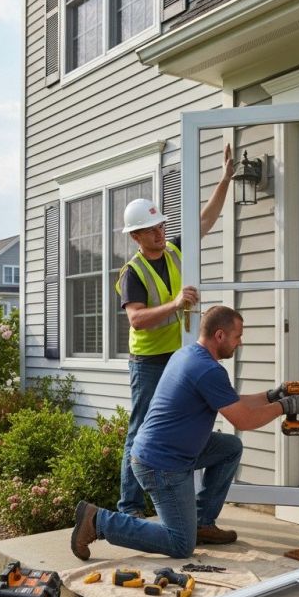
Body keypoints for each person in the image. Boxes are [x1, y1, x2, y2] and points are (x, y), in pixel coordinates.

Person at [70, 305, 299, 560]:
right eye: (237, 336)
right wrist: (283, 407)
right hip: (161, 465)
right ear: (219, 335)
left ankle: (202, 523)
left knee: (230, 448)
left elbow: (232, 402)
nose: (240, 342)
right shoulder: (209, 370)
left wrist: (271, 396)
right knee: (181, 544)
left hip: (166, 451)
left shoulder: (188, 355)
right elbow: (244, 419)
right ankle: (98, 521)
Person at [115, 144, 235, 518]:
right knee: (141, 429)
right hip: (150, 361)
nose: (159, 232)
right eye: (150, 229)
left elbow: (204, 221)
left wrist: (225, 180)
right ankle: (129, 507)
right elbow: (137, 319)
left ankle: (189, 506)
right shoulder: (132, 272)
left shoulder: (176, 250)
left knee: (185, 422)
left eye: (161, 225)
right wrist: (176, 304)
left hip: (180, 355)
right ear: (136, 236)